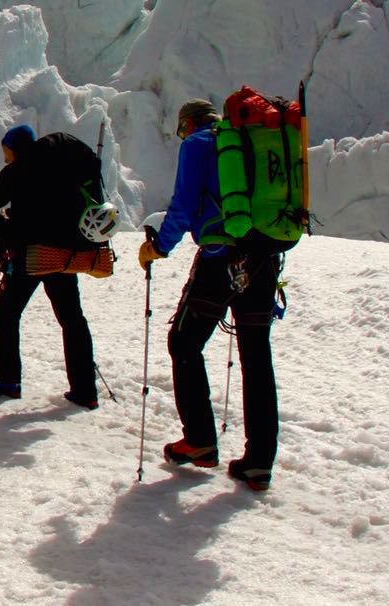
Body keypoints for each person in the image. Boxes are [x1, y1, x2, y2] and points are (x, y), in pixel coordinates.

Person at [140, 98, 290, 492]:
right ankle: (259, 462)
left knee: (184, 343)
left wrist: (160, 247)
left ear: (188, 124)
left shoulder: (199, 144)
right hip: (264, 261)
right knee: (256, 357)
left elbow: (185, 207)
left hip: (221, 259)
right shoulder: (247, 141)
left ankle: (201, 440)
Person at [0, 123, 99, 409]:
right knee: (72, 318)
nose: (5, 156)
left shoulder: (16, 170)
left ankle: (8, 380)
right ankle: (85, 389)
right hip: (65, 255)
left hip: (30, 255)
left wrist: (4, 226)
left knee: (7, 312)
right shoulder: (65, 164)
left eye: (6, 151)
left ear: (13, 148)